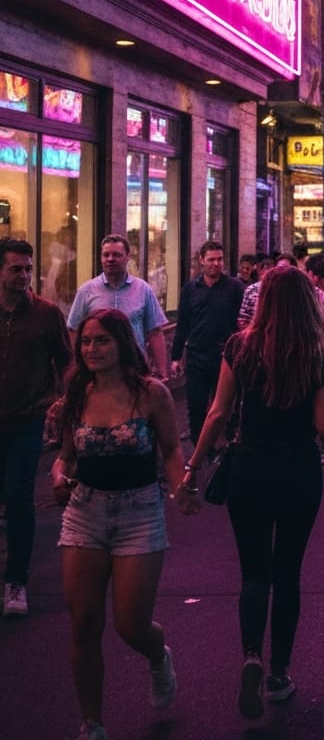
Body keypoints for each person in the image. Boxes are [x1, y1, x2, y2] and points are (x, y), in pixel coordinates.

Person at [178, 266, 324, 719]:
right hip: (298, 467)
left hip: (249, 465)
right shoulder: (315, 352)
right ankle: (280, 673)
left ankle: (251, 654)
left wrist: (192, 469)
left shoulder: (240, 346)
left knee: (253, 572)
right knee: (288, 572)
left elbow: (217, 412)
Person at [52, 310, 184, 740]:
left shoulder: (151, 394)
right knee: (84, 623)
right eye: (86, 342)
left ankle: (158, 657)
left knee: (131, 625)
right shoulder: (77, 394)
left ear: (122, 343)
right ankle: (92, 723)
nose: (92, 349)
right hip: (84, 512)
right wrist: (59, 476)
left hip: (139, 513)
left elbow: (170, 449)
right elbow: (66, 458)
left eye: (102, 341)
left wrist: (181, 488)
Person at [0, 238, 73, 617]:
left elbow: (67, 362)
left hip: (28, 420)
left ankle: (16, 581)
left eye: (28, 269)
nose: (24, 275)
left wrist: (65, 402)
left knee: (18, 495)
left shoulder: (46, 315)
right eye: (16, 269)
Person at [170, 241, 244, 445]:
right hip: (197, 356)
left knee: (225, 406)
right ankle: (199, 449)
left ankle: (225, 446)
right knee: (196, 406)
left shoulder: (235, 288)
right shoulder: (190, 289)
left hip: (224, 357)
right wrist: (176, 357)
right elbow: (183, 324)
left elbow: (242, 322)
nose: (216, 264)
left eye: (220, 259)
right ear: (202, 260)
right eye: (211, 259)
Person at [66, 234, 169, 379]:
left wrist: (162, 373)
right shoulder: (86, 291)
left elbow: (155, 332)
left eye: (116, 255)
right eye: (106, 255)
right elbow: (74, 331)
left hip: (134, 370)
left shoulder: (143, 290)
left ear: (127, 257)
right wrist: (78, 368)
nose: (110, 259)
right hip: (97, 373)